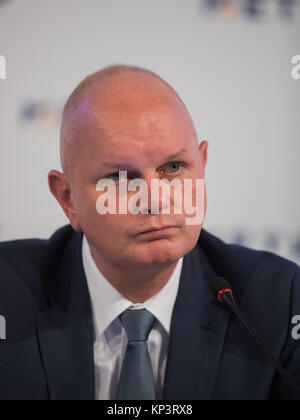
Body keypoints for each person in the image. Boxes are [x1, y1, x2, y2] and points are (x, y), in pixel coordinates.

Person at [0, 65, 299, 400]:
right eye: (119, 177)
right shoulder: (6, 294)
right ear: (68, 198)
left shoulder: (279, 301)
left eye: (173, 168)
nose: (155, 201)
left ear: (202, 165)